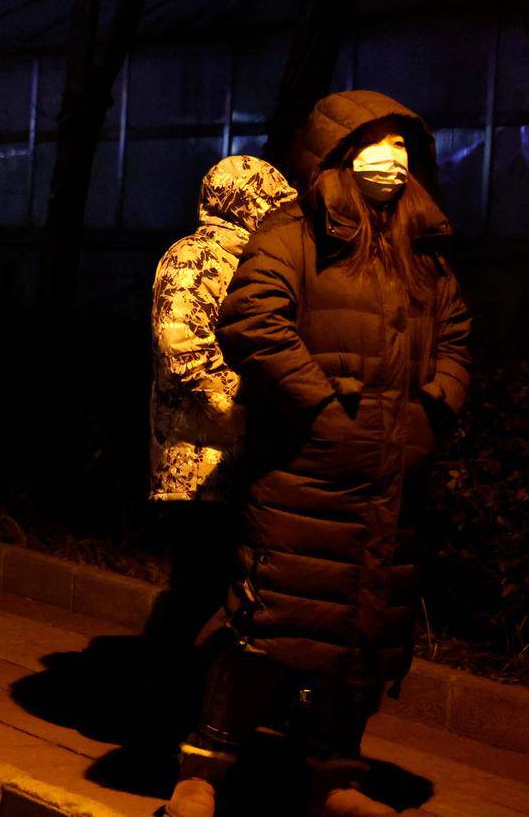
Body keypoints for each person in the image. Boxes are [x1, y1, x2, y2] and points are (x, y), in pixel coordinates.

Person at [164, 91, 471, 817]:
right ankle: (203, 766)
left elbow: (456, 336)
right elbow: (251, 319)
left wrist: (435, 407)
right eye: (376, 141)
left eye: (402, 144)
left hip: (393, 478)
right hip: (304, 469)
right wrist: (322, 406)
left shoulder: (423, 246)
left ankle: (337, 772)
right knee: (267, 618)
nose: (392, 158)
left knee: (365, 625)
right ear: (338, 151)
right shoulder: (292, 233)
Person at [144, 156, 296, 674]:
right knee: (201, 580)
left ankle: (172, 685)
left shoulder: (243, 259)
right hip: (200, 455)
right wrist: (243, 406)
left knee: (215, 579)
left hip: (225, 453)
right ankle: (158, 686)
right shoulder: (196, 256)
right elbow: (182, 347)